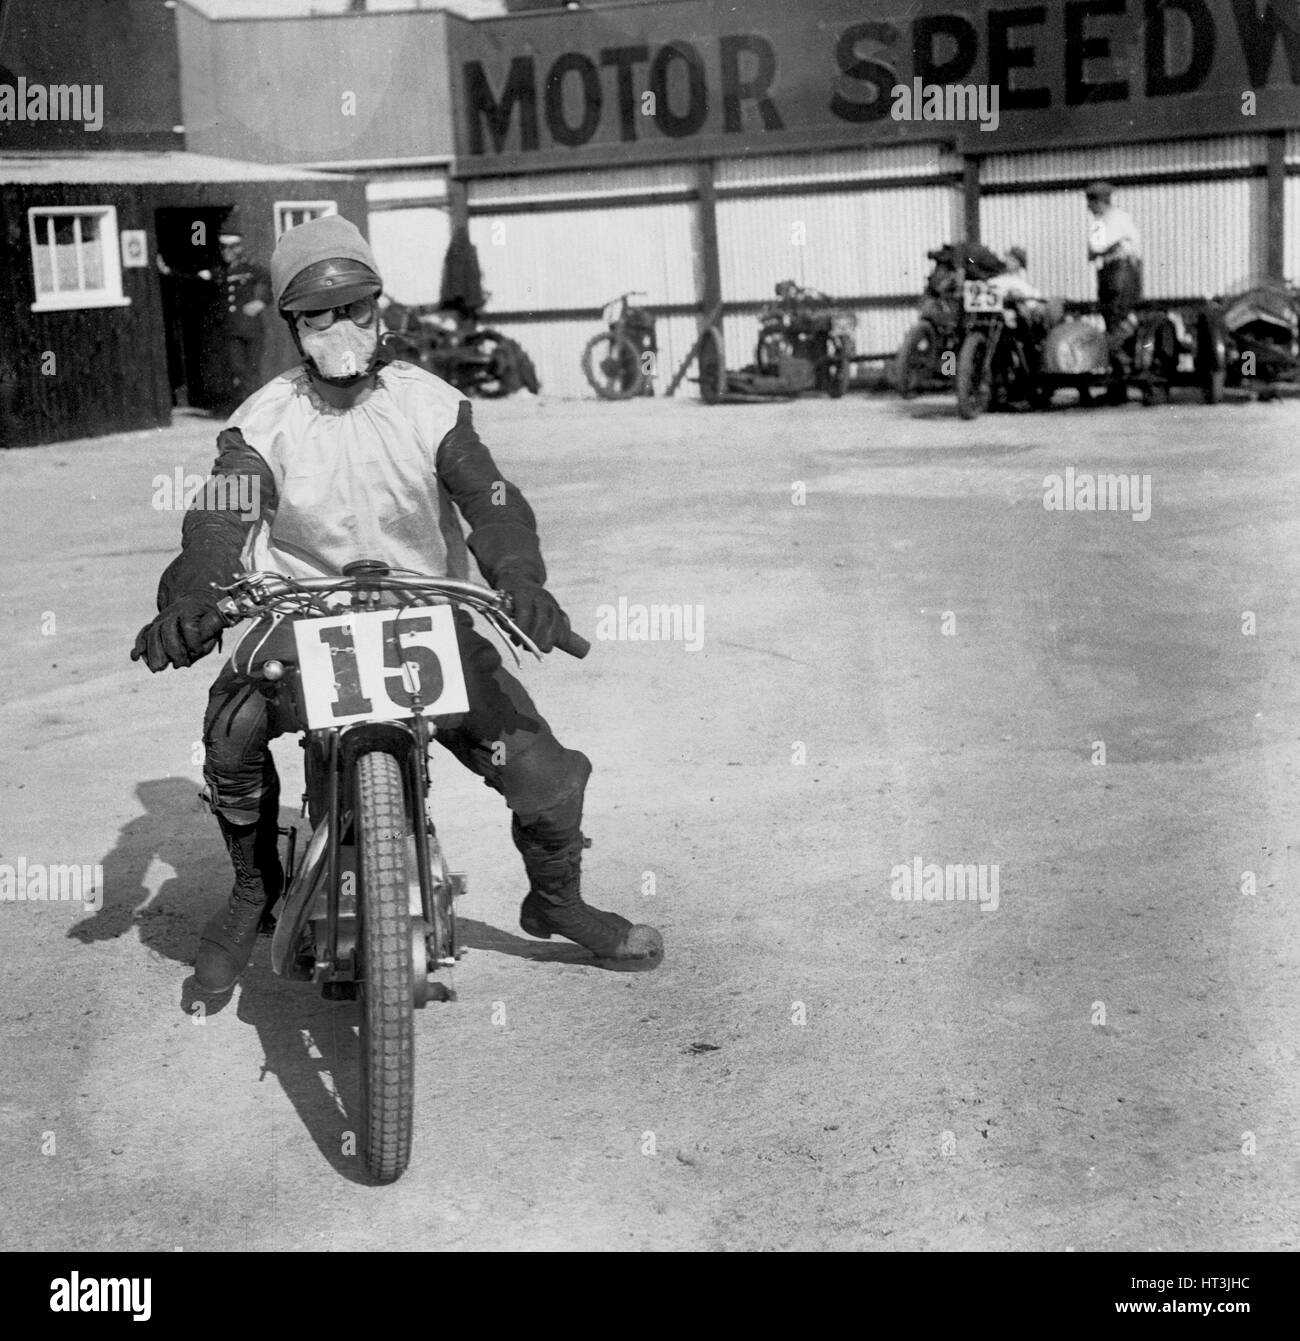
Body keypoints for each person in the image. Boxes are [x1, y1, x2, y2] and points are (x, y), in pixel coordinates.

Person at [130, 214, 663, 992]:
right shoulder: (262, 423)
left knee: (547, 776)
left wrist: (521, 578)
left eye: (356, 307)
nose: (341, 327)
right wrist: (196, 591)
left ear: (381, 308)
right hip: (303, 616)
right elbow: (219, 516)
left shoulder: (432, 405)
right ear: (293, 324)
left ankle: (557, 899)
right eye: (319, 313)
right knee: (232, 732)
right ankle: (255, 887)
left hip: (425, 615)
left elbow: (493, 500)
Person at [1085, 181, 1142, 400]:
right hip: (1111, 272)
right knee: (1112, 319)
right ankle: (1118, 386)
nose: (1089, 208)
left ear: (1099, 201)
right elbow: (1093, 252)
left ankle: (1124, 374)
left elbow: (1096, 249)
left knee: (1118, 320)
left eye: (1091, 203)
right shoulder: (1104, 221)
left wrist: (1099, 249)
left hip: (1121, 272)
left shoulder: (1114, 218)